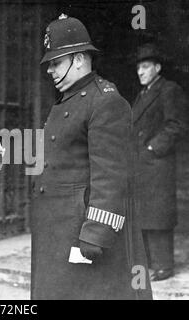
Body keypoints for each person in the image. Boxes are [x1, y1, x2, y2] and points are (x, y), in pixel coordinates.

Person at [30, 14, 152, 299]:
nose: (50, 70)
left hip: (82, 231)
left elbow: (111, 174)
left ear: (80, 59)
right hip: (59, 228)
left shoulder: (105, 101)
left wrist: (96, 232)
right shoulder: (68, 99)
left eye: (56, 63)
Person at [132, 43, 188, 281]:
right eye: (139, 68)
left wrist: (153, 148)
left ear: (157, 67)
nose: (141, 72)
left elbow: (177, 125)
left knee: (158, 216)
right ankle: (149, 264)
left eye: (145, 67)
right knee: (145, 214)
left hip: (157, 164)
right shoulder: (143, 94)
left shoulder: (168, 89)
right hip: (142, 163)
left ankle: (164, 266)